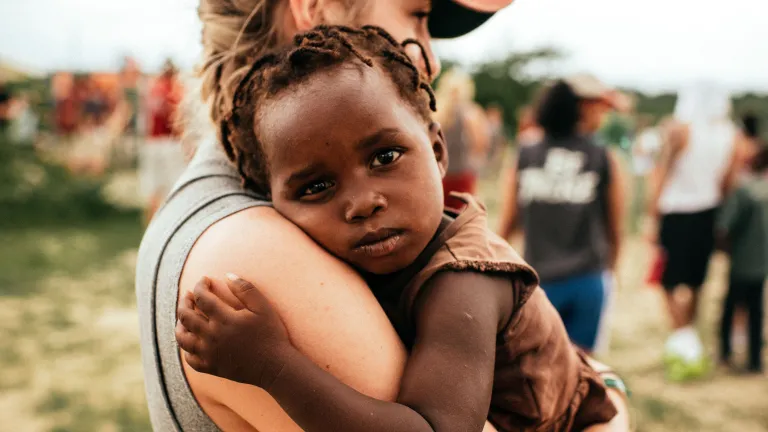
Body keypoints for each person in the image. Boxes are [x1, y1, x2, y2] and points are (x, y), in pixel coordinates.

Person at [135, 1, 631, 431]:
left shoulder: (462, 277)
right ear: (315, 7)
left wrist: (273, 365)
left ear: (437, 151)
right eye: (417, 16)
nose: (363, 202)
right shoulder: (248, 243)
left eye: (386, 158)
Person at [497, 77, 625, 354]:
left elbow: (508, 221)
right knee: (581, 369)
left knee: (537, 369)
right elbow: (615, 224)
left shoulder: (525, 153)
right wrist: (612, 268)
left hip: (538, 279)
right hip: (587, 278)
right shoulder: (601, 155)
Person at [647, 82, 740, 381]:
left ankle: (682, 335)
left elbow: (662, 171)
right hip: (707, 212)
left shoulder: (681, 130)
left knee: (667, 278)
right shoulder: (731, 135)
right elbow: (728, 181)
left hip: (676, 212)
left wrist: (652, 215)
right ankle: (688, 337)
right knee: (697, 279)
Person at [716, 145, 768, 374]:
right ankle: (755, 360)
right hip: (762, 262)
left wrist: (724, 248)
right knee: (756, 310)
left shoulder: (745, 191)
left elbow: (724, 226)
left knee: (730, 307)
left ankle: (725, 353)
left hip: (742, 260)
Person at [434, 67, 489, 209]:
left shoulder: (436, 110)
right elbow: (481, 144)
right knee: (461, 218)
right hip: (463, 174)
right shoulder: (472, 112)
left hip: (439, 174)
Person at [140, 59, 186, 223]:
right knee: (173, 190)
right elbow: (178, 120)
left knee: (153, 191)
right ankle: (169, 227)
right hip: (170, 144)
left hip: (152, 142)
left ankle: (149, 232)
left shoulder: (153, 89)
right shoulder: (175, 91)